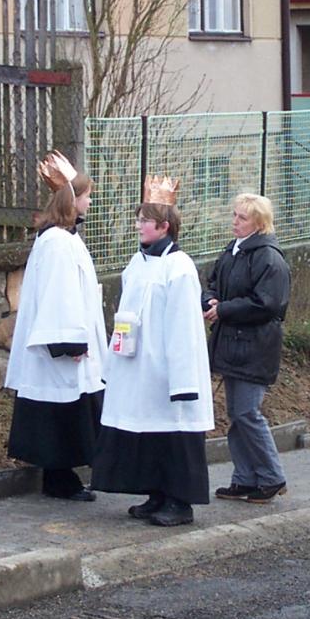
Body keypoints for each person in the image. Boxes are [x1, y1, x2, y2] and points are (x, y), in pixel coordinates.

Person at [90, 175, 214, 527]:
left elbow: (184, 327)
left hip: (166, 368)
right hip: (138, 367)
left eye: (145, 220)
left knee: (173, 433)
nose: (138, 226)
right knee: (147, 432)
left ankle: (180, 502)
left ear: (164, 226)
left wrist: (183, 380)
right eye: (139, 219)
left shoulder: (179, 267)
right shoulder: (138, 262)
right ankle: (156, 493)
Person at [4, 151, 106, 501]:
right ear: (71, 200)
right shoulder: (58, 243)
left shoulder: (65, 239)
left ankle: (61, 476)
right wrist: (68, 342)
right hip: (61, 347)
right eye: (86, 196)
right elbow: (59, 295)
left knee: (69, 408)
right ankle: (60, 478)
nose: (89, 202)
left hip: (69, 342)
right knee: (62, 411)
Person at [203, 192, 292, 504]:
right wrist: (210, 301)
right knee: (237, 414)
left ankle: (271, 476)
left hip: (255, 347)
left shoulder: (268, 258)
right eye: (235, 215)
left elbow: (268, 304)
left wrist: (224, 309)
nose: (235, 221)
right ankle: (245, 478)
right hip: (233, 345)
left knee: (246, 412)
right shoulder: (233, 251)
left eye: (242, 217)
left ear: (259, 223)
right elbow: (212, 283)